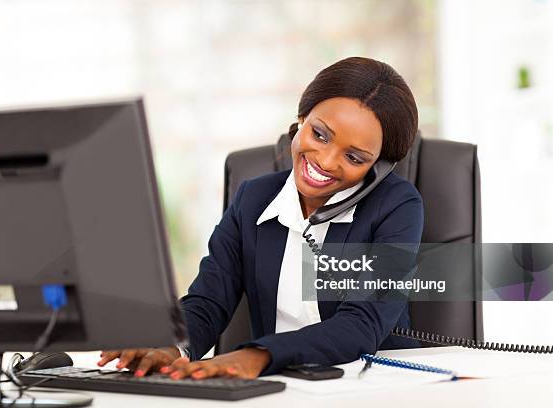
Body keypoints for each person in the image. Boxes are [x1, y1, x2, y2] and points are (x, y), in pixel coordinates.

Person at [98, 56, 424, 380]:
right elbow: (208, 301)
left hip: (372, 386)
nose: (325, 160)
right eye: (320, 134)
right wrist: (169, 346)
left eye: (353, 157)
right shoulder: (252, 199)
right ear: (301, 119)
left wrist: (257, 356)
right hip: (280, 387)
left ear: (379, 169)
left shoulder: (397, 206)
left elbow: (361, 324)